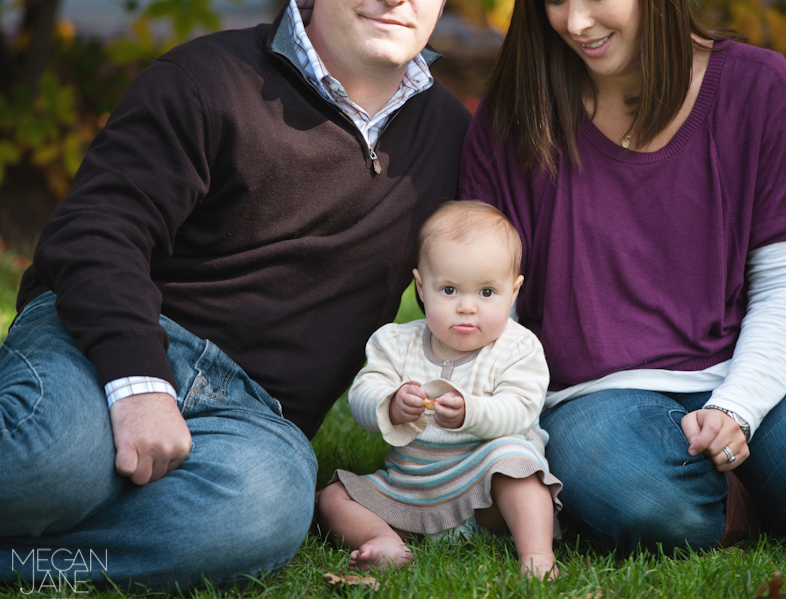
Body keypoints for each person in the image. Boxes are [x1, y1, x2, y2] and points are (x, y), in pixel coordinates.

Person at [0, 0, 471, 590]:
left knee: (261, 513)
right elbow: (96, 232)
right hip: (109, 341)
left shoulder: (454, 136)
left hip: (252, 416)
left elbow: (498, 271)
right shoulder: (207, 79)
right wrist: (139, 385)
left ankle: (23, 565)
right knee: (50, 461)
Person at [459, 0, 786, 556]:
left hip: (761, 369)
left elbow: (785, 283)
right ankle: (752, 499)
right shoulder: (513, 115)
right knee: (646, 500)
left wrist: (738, 407)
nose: (575, 22)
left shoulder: (757, 86)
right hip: (597, 400)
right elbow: (494, 305)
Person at [318, 201, 562, 578]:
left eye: (486, 292)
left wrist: (472, 412)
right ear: (420, 287)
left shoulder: (518, 347)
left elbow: (523, 407)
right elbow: (362, 394)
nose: (466, 307)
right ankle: (385, 540)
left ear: (513, 292)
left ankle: (537, 556)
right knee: (334, 497)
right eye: (449, 289)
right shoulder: (396, 343)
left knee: (519, 462)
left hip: (486, 492)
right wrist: (392, 404)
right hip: (412, 487)